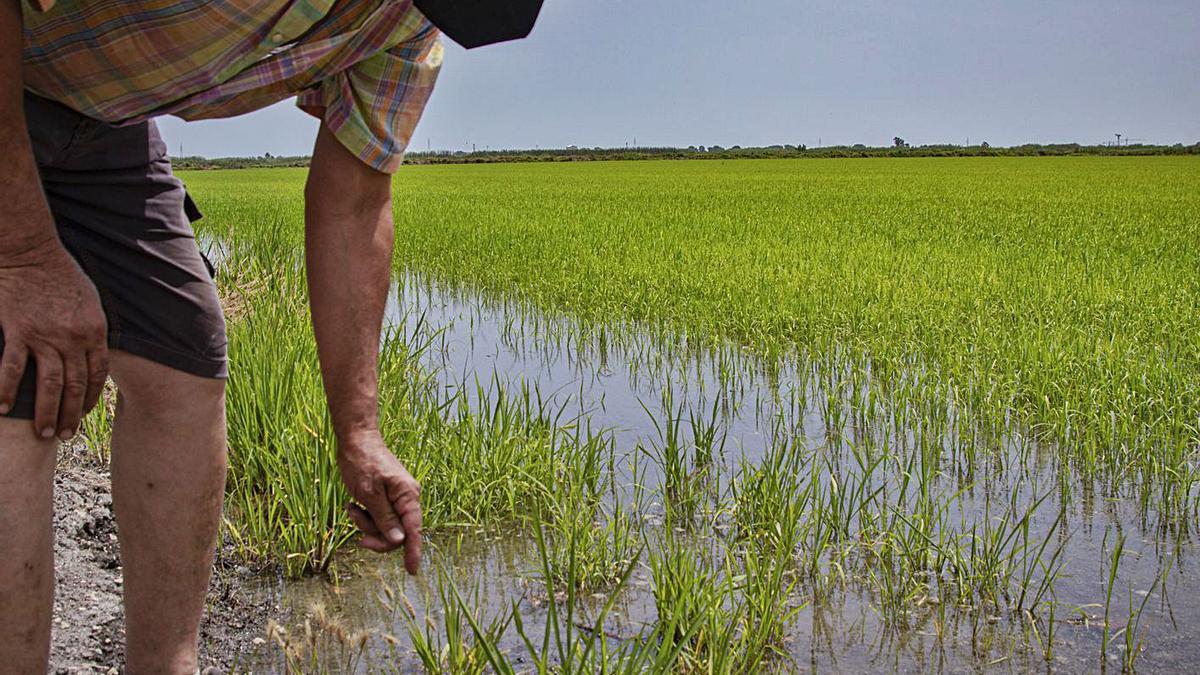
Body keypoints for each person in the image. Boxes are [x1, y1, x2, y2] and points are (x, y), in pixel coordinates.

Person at [0, 0, 450, 671]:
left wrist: (359, 432)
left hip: (102, 119)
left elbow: (357, 195)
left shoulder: (411, 28)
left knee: (182, 350)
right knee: (22, 378)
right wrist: (24, 254)